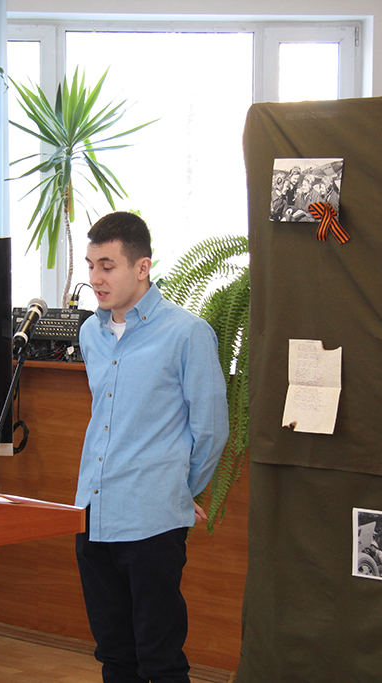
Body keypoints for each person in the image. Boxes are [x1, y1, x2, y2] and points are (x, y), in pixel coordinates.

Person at [75, 211, 230, 683]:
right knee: (114, 655)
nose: (95, 279)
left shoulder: (187, 333)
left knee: (159, 659)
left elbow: (211, 429)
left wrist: (179, 491)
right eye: (90, 266)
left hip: (151, 521)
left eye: (107, 266)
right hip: (92, 514)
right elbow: (106, 420)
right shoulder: (90, 333)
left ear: (142, 267)